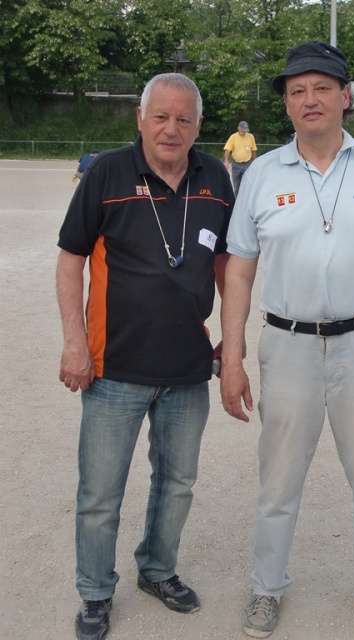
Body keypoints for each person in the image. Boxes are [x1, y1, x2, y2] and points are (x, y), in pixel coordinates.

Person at [220, 40, 354, 640]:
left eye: (321, 88)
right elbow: (239, 271)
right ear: (286, 104)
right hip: (288, 347)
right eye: (297, 91)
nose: (309, 99)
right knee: (278, 484)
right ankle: (266, 588)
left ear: (345, 96)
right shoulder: (262, 174)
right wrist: (231, 358)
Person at [56, 72, 234, 640]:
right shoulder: (107, 172)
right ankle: (95, 591)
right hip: (114, 369)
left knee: (177, 483)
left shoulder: (216, 177)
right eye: (160, 116)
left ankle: (157, 570)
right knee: (100, 492)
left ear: (198, 125)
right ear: (141, 118)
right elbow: (70, 259)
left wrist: (233, 340)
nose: (170, 129)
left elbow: (228, 263)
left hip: (188, 369)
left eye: (183, 119)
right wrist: (74, 343)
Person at [223, 121, 257, 196]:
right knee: (236, 187)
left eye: (245, 130)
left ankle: (245, 201)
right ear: (238, 128)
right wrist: (226, 161)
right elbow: (227, 149)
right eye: (242, 130)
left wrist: (255, 161)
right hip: (236, 165)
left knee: (245, 186)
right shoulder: (233, 137)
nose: (243, 132)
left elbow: (253, 150)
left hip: (247, 164)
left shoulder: (250, 136)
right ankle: (236, 201)